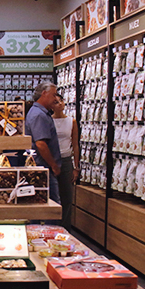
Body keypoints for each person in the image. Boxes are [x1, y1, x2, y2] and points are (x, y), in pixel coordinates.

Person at [25, 81, 62, 204]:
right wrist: (54, 165)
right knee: (51, 205)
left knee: (42, 203)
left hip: (41, 167)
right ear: (44, 93)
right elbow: (41, 144)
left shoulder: (39, 113)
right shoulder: (39, 115)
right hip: (43, 168)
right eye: (54, 95)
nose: (56, 99)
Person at [53, 93, 80, 230]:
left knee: (67, 196)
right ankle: (53, 226)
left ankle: (65, 228)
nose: (60, 104)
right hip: (52, 160)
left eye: (61, 101)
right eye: (56, 102)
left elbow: (75, 145)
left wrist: (76, 167)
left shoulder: (71, 121)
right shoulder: (49, 121)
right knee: (53, 195)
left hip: (66, 159)